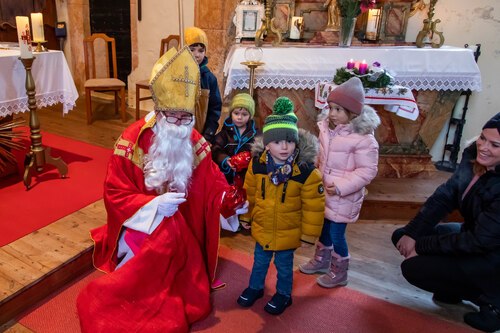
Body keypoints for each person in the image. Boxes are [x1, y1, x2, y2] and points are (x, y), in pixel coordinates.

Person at [76, 46, 246, 333]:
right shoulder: (132, 141)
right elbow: (115, 193)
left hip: (182, 227)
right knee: (163, 247)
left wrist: (229, 199)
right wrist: (153, 206)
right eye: (173, 118)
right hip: (140, 226)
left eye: (187, 118)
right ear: (157, 111)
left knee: (182, 264)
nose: (181, 126)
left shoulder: (191, 137)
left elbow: (212, 180)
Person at [391, 112, 500, 333]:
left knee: (414, 267)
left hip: (492, 256)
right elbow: (445, 196)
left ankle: (493, 304)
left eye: (495, 144)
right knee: (402, 236)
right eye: (482, 138)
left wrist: (420, 247)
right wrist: (413, 233)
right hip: (475, 237)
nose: (484, 147)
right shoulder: (474, 155)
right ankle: (453, 287)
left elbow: (478, 242)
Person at [237, 97, 325, 315]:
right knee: (259, 262)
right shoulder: (257, 165)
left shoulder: (305, 171)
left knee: (284, 267)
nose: (284, 147)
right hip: (263, 228)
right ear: (267, 143)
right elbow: (251, 193)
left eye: (289, 141)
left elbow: (314, 207)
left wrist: (308, 235)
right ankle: (255, 288)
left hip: (288, 232)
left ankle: (284, 294)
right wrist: (246, 217)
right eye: (277, 142)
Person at [299, 77, 380, 289]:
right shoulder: (328, 129)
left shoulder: (363, 139)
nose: (332, 114)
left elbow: (367, 170)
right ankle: (322, 260)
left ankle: (340, 270)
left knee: (337, 234)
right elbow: (322, 156)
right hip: (324, 191)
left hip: (343, 195)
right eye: (330, 108)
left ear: (352, 113)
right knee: (324, 228)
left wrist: (342, 186)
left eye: (338, 109)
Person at [184, 26, 222, 144]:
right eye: (192, 49)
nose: (197, 55)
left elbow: (214, 109)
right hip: (180, 133)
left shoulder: (209, 79)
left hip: (201, 134)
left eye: (201, 51)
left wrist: (208, 134)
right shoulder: (177, 74)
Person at [212, 92, 259, 186]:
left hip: (246, 178)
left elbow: (259, 153)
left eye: (244, 114)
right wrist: (225, 160)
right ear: (231, 113)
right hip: (226, 177)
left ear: (250, 116)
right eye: (236, 113)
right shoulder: (224, 133)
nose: (239, 117)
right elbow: (215, 149)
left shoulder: (255, 135)